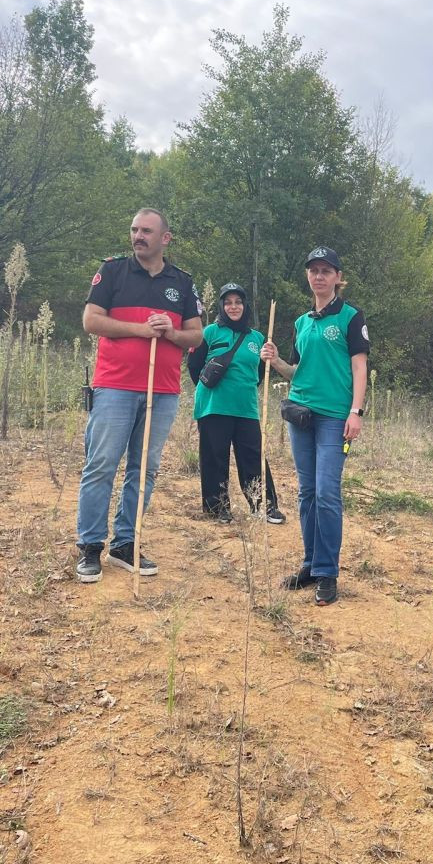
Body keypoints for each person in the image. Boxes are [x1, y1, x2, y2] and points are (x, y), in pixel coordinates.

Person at [75, 208, 203, 583]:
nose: (137, 236)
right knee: (101, 465)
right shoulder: (112, 271)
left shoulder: (181, 282)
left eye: (146, 231)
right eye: (134, 230)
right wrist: (138, 329)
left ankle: (125, 543)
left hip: (162, 390)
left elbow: (196, 334)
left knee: (144, 469)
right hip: (115, 385)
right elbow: (91, 321)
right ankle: (90, 546)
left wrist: (171, 334)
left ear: (165, 238)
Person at [262, 247, 369, 606]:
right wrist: (275, 360)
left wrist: (356, 411)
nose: (319, 276)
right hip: (301, 414)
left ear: (338, 277)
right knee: (306, 492)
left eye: (326, 270)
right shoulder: (302, 323)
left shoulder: (351, 318)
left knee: (326, 492)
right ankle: (310, 564)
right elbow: (296, 371)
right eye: (314, 270)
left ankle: (327, 571)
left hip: (335, 418)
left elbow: (359, 368)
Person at [186, 283, 285, 525]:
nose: (233, 306)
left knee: (253, 456)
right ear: (221, 305)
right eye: (228, 302)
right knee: (214, 457)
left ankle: (264, 505)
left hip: (246, 408)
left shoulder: (258, 338)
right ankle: (217, 507)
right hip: (213, 405)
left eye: (238, 302)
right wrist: (213, 388)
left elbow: (260, 373)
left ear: (245, 305)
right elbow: (194, 366)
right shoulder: (209, 332)